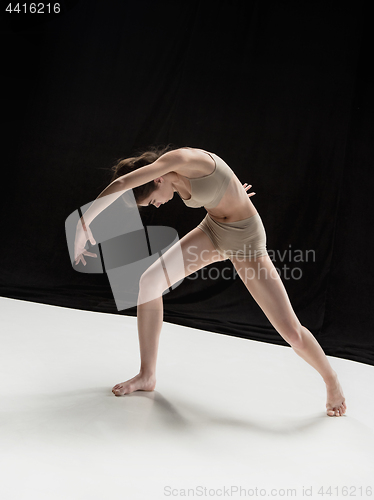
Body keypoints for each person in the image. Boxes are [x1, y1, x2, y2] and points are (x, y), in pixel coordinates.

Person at [74, 146, 346, 417]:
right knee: (150, 282)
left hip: (246, 241)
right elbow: (220, 182)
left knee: (291, 333)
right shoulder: (171, 179)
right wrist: (233, 194)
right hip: (212, 231)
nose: (156, 205)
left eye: (152, 201)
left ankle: (331, 379)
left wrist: (83, 223)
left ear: (157, 178)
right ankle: (147, 375)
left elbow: (122, 183)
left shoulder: (181, 160)